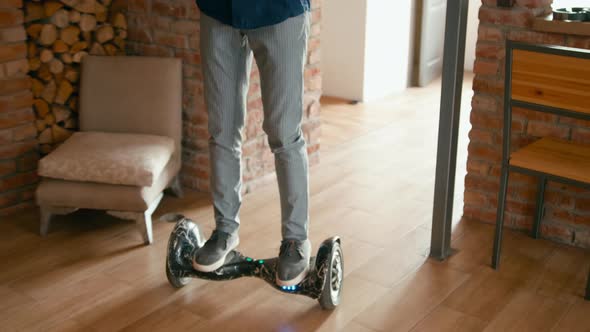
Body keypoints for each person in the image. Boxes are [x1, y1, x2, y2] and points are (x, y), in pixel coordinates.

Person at [191, 0, 312, 287]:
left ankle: (295, 240)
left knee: (284, 133)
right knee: (222, 129)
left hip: (280, 10)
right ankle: (225, 231)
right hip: (219, 11)